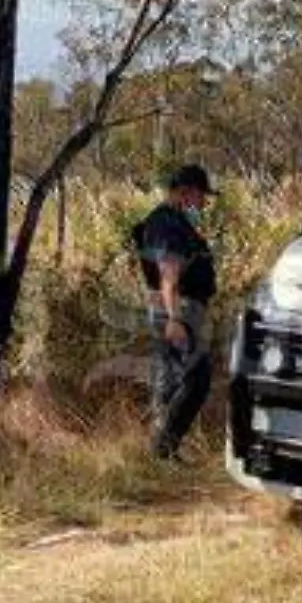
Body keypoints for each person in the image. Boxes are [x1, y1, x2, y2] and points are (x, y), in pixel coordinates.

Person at [137, 164, 217, 460]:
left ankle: (163, 451)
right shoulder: (166, 224)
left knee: (171, 379)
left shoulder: (174, 221)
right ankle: (162, 448)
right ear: (184, 192)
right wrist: (174, 319)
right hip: (175, 309)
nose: (204, 203)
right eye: (200, 195)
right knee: (198, 379)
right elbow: (168, 273)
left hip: (179, 308)